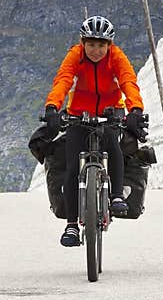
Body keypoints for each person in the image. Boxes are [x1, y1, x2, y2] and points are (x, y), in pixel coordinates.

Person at [43, 15, 147, 247]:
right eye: (91, 44)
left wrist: (135, 110)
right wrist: (52, 107)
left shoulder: (116, 57)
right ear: (83, 42)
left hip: (110, 112)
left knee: (112, 145)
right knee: (72, 166)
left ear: (109, 45)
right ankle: (71, 225)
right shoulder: (75, 55)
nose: (96, 50)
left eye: (101, 45)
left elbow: (128, 81)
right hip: (78, 113)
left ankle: (117, 195)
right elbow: (63, 80)